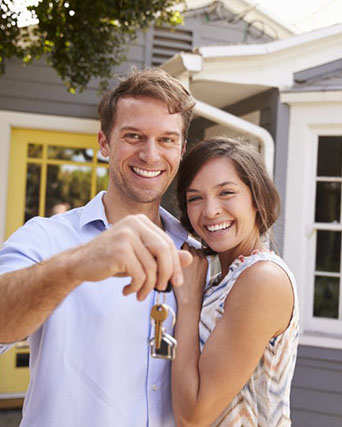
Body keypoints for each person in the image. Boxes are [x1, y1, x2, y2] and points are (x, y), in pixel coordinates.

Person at [0, 68, 196, 426]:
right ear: (104, 143)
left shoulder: (198, 255)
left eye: (167, 140)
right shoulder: (47, 238)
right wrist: (76, 264)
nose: (151, 155)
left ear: (181, 149)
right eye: (134, 136)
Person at [172, 137, 299, 426]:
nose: (210, 211)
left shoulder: (262, 280)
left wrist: (189, 303)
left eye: (226, 192)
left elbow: (193, 415)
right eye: (195, 198)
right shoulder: (221, 280)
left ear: (257, 198)